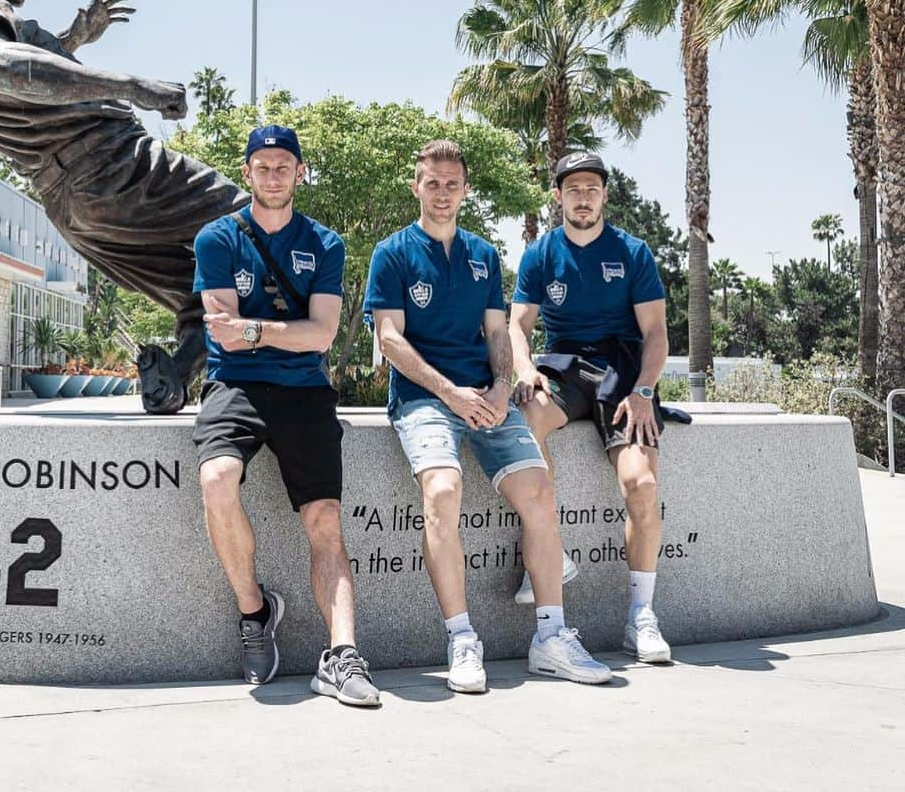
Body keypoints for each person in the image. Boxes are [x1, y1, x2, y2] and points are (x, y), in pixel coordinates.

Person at [0, 0, 248, 412]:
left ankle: (178, 372)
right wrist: (134, 86)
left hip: (76, 206)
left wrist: (76, 38)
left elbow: (22, 83)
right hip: (114, 166)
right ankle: (293, 377)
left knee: (197, 289)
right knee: (252, 224)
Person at [365, 140, 612, 691]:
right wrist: (449, 391)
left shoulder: (482, 254)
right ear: (417, 187)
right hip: (424, 399)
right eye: (433, 183)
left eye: (453, 184)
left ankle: (551, 637)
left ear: (465, 190)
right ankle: (462, 640)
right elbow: (389, 338)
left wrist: (502, 387)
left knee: (541, 492)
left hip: (487, 399)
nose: (443, 193)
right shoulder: (393, 253)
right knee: (443, 493)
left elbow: (499, 333)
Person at [190, 124, 380, 707]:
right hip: (236, 386)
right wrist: (275, 333)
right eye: (262, 166)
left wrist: (253, 329)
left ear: (300, 174)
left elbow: (321, 336)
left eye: (284, 166)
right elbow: (225, 335)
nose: (273, 176)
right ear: (246, 173)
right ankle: (255, 610)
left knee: (324, 519)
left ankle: (343, 655)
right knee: (217, 480)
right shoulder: (216, 239)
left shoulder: (325, 244)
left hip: (304, 392)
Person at [510, 150, 672, 664]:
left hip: (623, 374)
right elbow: (517, 326)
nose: (583, 197)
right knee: (525, 420)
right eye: (573, 189)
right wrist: (524, 369)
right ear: (557, 196)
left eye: (592, 189)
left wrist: (644, 390)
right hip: (563, 368)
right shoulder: (539, 255)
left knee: (641, 484)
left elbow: (656, 333)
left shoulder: (632, 252)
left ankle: (640, 617)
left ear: (605, 195)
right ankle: (553, 555)